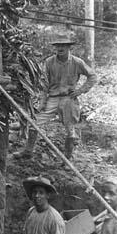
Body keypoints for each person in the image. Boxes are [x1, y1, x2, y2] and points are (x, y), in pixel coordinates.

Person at [15, 31, 97, 159]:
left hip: (68, 99)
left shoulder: (77, 62)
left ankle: (67, 159)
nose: (60, 48)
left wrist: (80, 91)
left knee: (70, 131)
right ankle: (28, 152)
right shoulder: (49, 62)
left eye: (63, 46)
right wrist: (42, 101)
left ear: (69, 47)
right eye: (58, 45)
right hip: (52, 98)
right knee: (34, 123)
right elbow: (44, 84)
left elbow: (92, 76)